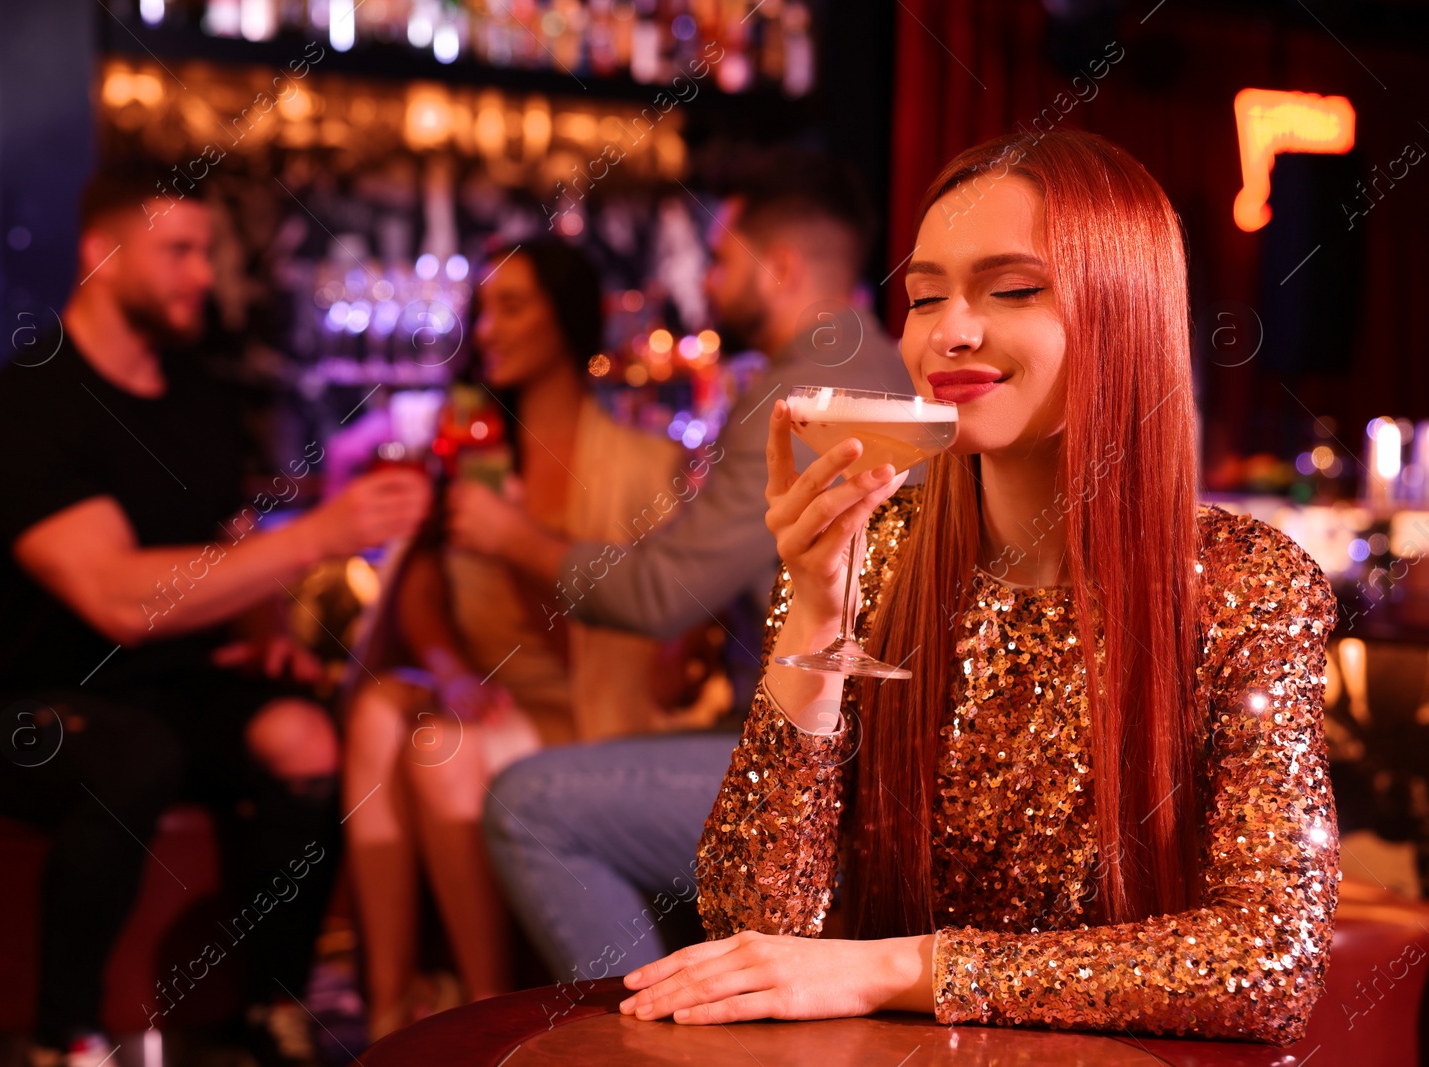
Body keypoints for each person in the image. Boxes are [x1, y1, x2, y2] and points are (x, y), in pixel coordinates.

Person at [616, 130, 1340, 1047]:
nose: (949, 330)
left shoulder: (1247, 585)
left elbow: (1267, 957)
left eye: (1012, 290)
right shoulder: (877, 554)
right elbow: (752, 917)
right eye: (924, 296)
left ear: (1126, 308)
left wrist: (896, 965)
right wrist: (813, 603)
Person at [0, 163, 430, 1067]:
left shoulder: (201, 398)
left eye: (207, 252)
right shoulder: (26, 407)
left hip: (178, 684)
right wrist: (317, 534)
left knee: (307, 737)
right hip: (30, 702)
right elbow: (118, 597)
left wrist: (267, 639)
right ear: (100, 253)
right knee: (135, 753)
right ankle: (66, 1036)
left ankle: (270, 1009)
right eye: (178, 251)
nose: (202, 274)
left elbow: (224, 545)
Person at [472, 153, 922, 982]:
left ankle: (638, 1041)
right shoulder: (886, 364)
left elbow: (657, 594)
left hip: (845, 770)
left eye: (721, 260)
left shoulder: (804, 396)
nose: (706, 281)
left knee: (526, 803)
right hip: (868, 744)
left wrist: (511, 539)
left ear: (780, 267)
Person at [343, 240, 697, 1040]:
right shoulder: (473, 449)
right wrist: (444, 663)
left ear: (567, 319)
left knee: (437, 746)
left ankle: (483, 1007)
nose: (487, 328)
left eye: (513, 306)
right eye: (483, 309)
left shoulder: (643, 467)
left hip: (592, 704)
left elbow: (626, 642)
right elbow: (425, 586)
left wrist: (516, 541)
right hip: (492, 693)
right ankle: (387, 1008)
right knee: (374, 713)